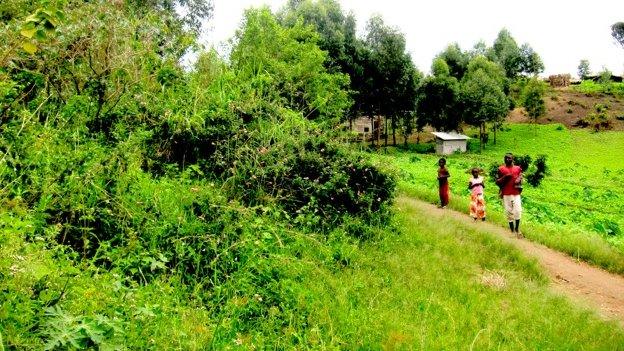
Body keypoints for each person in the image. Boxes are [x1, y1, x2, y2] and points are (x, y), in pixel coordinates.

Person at [496, 153, 523, 238]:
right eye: (506, 158)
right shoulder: (500, 169)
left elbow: (521, 176)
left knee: (518, 211)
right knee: (508, 212)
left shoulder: (518, 168)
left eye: (509, 158)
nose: (507, 159)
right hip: (506, 193)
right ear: (504, 159)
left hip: (516, 193)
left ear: (513, 159)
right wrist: (505, 177)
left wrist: (519, 179)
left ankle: (517, 229)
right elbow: (497, 182)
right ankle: (512, 230)